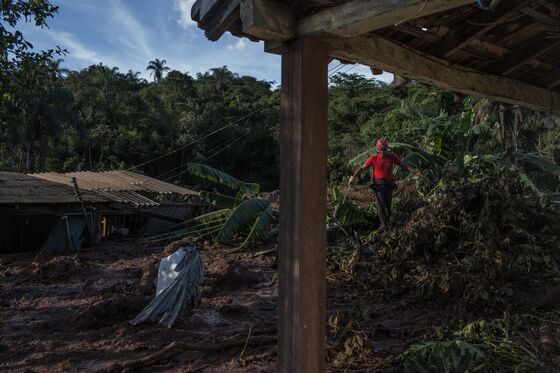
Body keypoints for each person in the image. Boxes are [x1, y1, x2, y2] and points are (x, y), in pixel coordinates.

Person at [348, 138, 421, 228]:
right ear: (377, 150)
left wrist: (415, 172)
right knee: (381, 204)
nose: (383, 152)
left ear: (387, 149)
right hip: (378, 185)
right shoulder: (374, 158)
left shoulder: (392, 157)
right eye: (381, 150)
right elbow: (362, 168)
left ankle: (388, 222)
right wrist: (354, 177)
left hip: (389, 185)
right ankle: (384, 225)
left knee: (388, 205)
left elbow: (403, 165)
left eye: (385, 150)